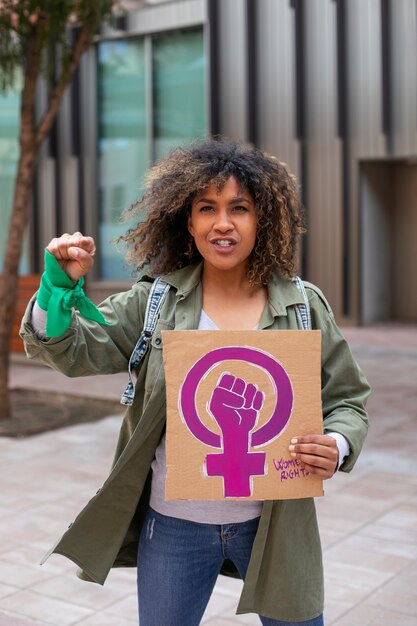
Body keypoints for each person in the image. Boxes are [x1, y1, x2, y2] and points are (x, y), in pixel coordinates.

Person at [21, 138, 370, 626]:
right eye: (207, 208)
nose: (222, 223)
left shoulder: (302, 305)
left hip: (274, 523)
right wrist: (57, 290)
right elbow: (74, 350)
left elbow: (349, 400)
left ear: (261, 219)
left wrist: (336, 443)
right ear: (188, 221)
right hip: (174, 525)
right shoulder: (156, 303)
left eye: (239, 208)